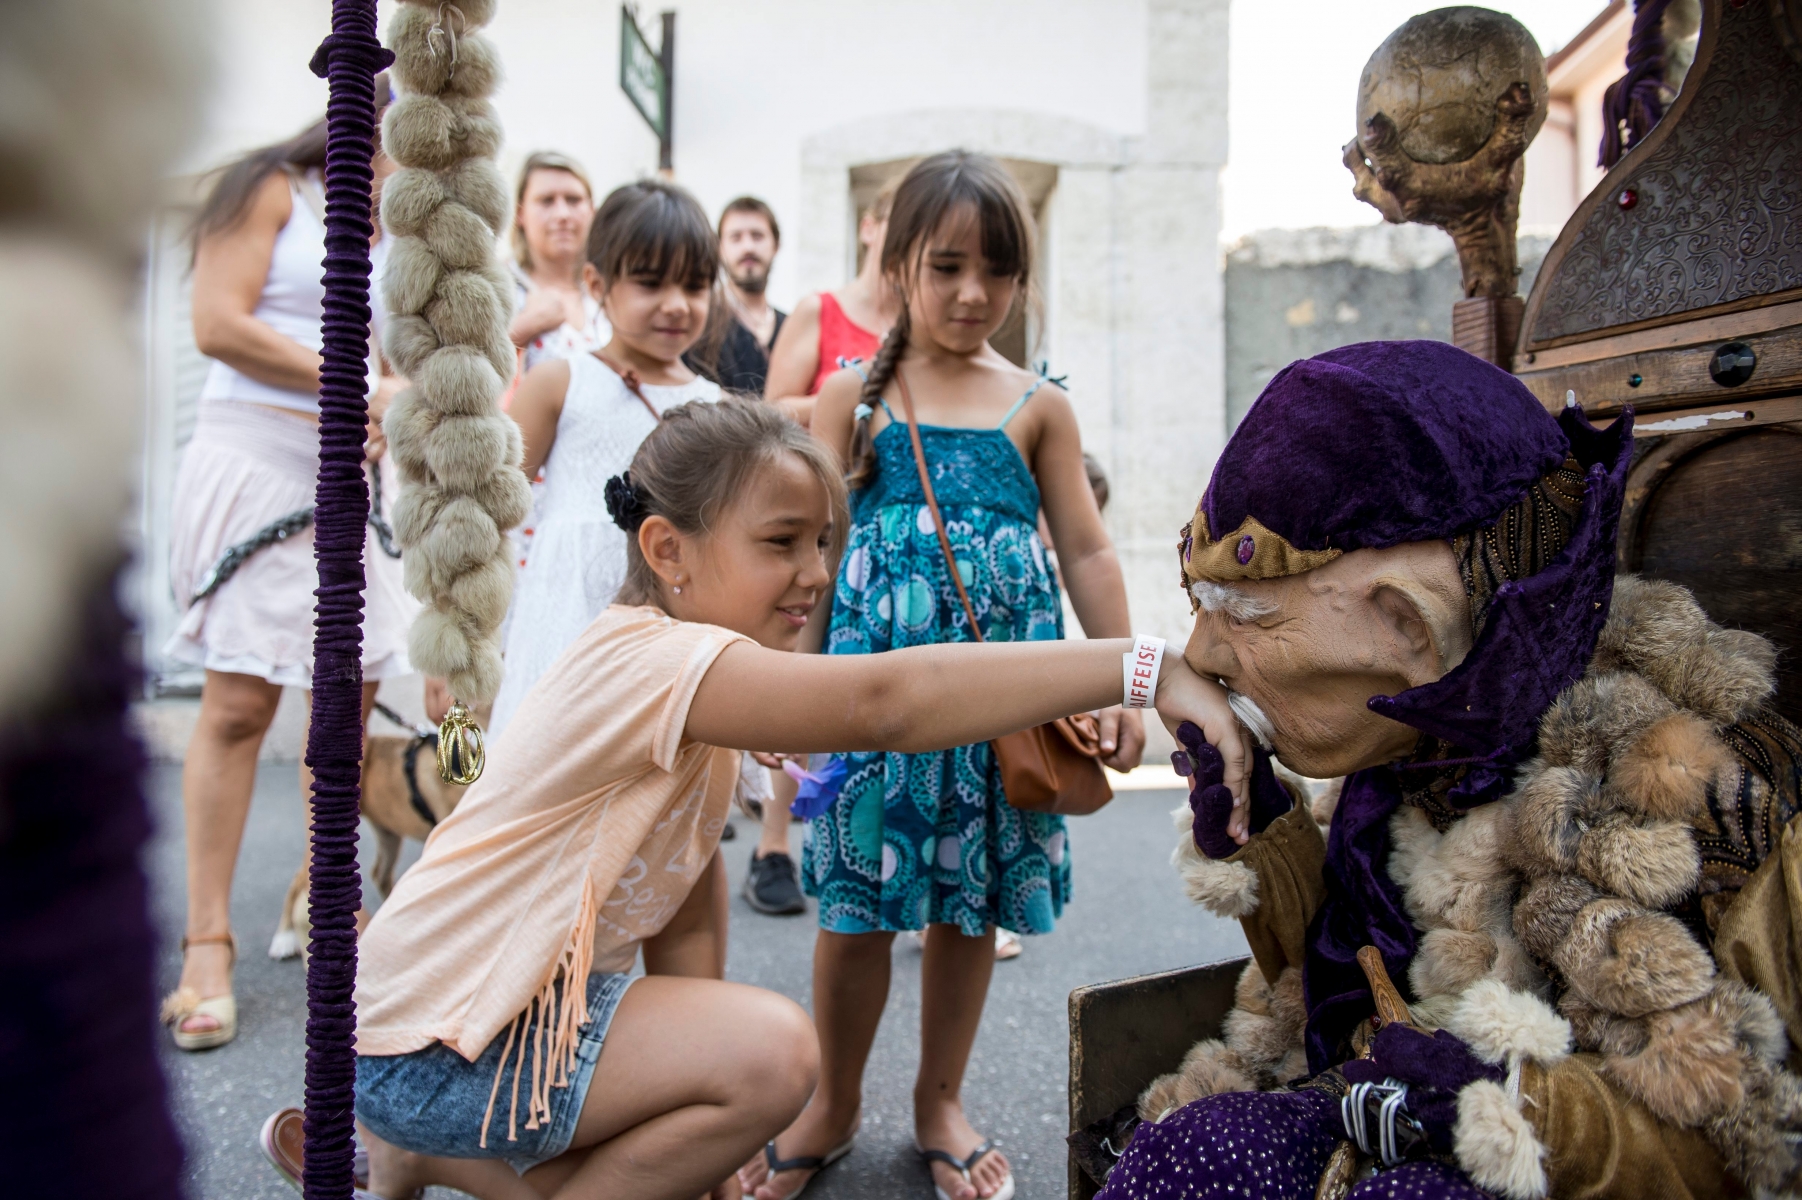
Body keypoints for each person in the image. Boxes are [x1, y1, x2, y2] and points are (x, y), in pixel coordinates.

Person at [324, 399, 1235, 1200]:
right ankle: (416, 1148)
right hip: (438, 1043)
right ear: (666, 549)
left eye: (823, 542)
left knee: (718, 1095)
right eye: (780, 542)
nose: (815, 572)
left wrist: (703, 1135)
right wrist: (1142, 666)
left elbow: (679, 902)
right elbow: (887, 703)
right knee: (776, 1054)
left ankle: (412, 1160)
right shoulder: (659, 661)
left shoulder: (691, 677)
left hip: (470, 1025)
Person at [1097, 341, 1802, 1200]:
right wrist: (1270, 840)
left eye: (1242, 613)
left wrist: (1512, 1102)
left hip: (1559, 1161)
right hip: (1368, 1109)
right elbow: (1336, 974)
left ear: (1410, 629)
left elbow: (1746, 1125)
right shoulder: (1402, 756)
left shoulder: (1691, 794)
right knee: (1192, 1153)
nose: (1203, 653)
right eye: (1199, 607)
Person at [745, 151, 1146, 1200]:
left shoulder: (1038, 409)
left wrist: (1124, 682)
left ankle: (938, 1100)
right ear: (898, 264)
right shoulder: (849, 402)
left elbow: (1088, 554)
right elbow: (809, 563)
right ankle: (831, 1103)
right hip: (870, 709)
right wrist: (788, 684)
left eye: (998, 271)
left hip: (998, 712)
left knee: (966, 909)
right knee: (851, 907)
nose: (973, 294)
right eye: (948, 266)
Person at [159, 96, 415, 1052]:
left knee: (347, 705)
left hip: (353, 472)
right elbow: (217, 324)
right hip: (256, 461)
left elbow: (392, 362)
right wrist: (360, 381)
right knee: (236, 706)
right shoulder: (272, 187)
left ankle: (326, 906)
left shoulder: (410, 226)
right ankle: (207, 945)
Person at [488, 180, 723, 738]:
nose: (675, 304)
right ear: (597, 283)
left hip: (676, 629)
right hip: (564, 619)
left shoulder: (717, 406)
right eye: (649, 283)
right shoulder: (558, 383)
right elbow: (490, 513)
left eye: (694, 285)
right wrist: (466, 638)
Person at [762, 177, 901, 427]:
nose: (908, 239)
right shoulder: (818, 310)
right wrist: (850, 396)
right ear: (868, 228)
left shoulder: (921, 325)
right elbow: (772, 411)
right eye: (901, 223)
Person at [508, 151, 609, 372]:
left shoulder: (612, 290)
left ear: (592, 210)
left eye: (574, 200)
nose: (562, 214)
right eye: (546, 201)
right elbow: (451, 374)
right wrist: (526, 326)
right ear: (519, 213)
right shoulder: (493, 289)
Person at [695, 196, 785, 393]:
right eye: (736, 237)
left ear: (776, 245)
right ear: (720, 248)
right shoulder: (698, 322)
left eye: (757, 236)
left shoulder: (792, 326)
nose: (748, 247)